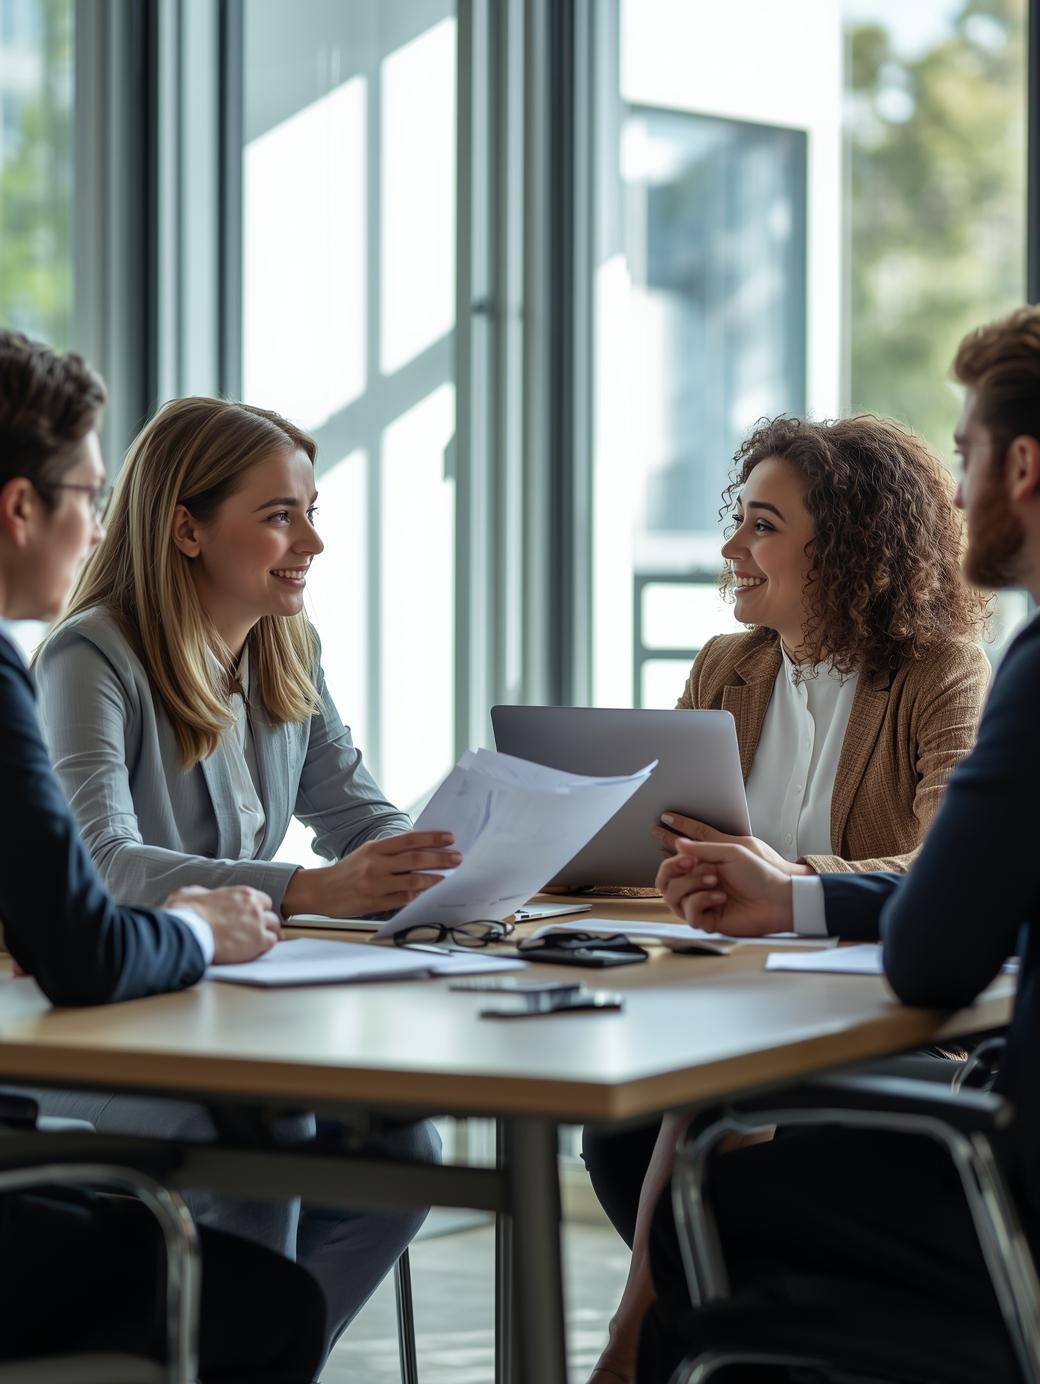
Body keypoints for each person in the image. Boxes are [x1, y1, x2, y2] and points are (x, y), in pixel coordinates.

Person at [638, 304, 1040, 1381]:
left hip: (993, 1145)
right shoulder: (732, 666)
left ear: (1023, 467)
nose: (956, 494)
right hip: (783, 1011)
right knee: (654, 1145)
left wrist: (790, 887)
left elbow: (935, 940)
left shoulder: (994, 672)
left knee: (695, 1198)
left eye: (966, 456)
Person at [30, 393, 450, 1360]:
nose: (311, 540)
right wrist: (299, 890)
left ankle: (250, 1360)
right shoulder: (90, 654)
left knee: (407, 1153)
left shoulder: (285, 645)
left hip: (235, 1015)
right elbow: (99, 862)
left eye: (312, 510)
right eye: (278, 515)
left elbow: (357, 816)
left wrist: (444, 864)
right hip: (102, 1033)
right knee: (259, 1137)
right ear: (186, 527)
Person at [0, 327, 325, 1381]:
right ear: (19, 508)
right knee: (263, 1285)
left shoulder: (282, 649)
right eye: (88, 496)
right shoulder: (73, 658)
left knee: (380, 1150)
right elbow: (84, 927)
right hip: (71, 1098)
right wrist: (201, 922)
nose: (98, 529)